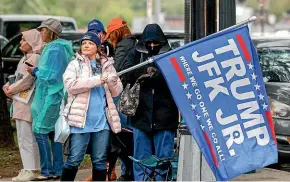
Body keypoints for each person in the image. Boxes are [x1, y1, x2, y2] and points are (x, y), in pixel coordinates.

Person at [60, 31, 123, 181]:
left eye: (90, 43)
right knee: (75, 158)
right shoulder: (74, 64)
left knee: (100, 160)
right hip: (80, 121)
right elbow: (71, 85)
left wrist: (112, 81)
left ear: (98, 47)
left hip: (102, 122)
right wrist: (98, 80)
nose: (86, 45)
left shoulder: (107, 65)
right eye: (84, 43)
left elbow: (116, 92)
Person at [123, 24, 179, 181]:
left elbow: (177, 78)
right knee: (141, 159)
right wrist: (142, 73)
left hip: (165, 117)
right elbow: (125, 74)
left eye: (156, 43)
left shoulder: (170, 54)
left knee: (164, 159)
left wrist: (158, 76)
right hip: (141, 116)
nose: (152, 46)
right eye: (149, 43)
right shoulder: (135, 53)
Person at [27, 18, 74, 181]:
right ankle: (57, 170)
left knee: (40, 131)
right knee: (54, 133)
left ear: (51, 31)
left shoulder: (56, 49)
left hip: (52, 96)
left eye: (43, 29)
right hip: (51, 95)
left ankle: (47, 171)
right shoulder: (55, 47)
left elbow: (52, 75)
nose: (40, 32)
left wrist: (36, 71)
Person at [2, 29, 43, 182]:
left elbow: (27, 80)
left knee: (27, 137)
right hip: (19, 102)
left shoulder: (35, 58)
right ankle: (27, 167)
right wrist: (8, 85)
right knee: (22, 136)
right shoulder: (25, 58)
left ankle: (32, 168)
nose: (21, 43)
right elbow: (17, 78)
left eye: (24, 40)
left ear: (32, 42)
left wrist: (10, 89)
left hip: (27, 103)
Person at [103, 17, 137, 181]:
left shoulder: (124, 46)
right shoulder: (133, 42)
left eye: (110, 35)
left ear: (116, 32)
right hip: (129, 94)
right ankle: (127, 171)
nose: (109, 39)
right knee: (126, 134)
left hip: (121, 95)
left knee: (121, 135)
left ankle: (127, 173)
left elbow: (118, 72)